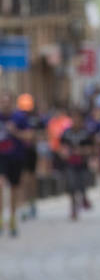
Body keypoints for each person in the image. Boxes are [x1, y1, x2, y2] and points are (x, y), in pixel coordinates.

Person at [0, 92, 28, 236]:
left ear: (12, 103)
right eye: (2, 101)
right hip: (1, 157)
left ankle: (11, 218)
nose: (5, 104)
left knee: (13, 189)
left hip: (16, 157)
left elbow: (30, 136)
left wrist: (15, 131)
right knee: (1, 183)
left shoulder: (19, 118)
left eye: (7, 101)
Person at [59, 108, 95, 220]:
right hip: (70, 163)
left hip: (82, 163)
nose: (75, 120)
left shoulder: (85, 133)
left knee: (82, 184)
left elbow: (91, 148)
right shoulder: (67, 133)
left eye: (78, 118)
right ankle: (73, 208)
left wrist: (82, 151)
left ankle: (84, 198)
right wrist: (64, 153)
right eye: (73, 118)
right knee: (71, 185)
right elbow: (61, 146)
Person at [16, 93, 41, 221]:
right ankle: (24, 205)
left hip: (31, 152)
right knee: (24, 179)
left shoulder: (35, 118)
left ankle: (31, 203)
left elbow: (35, 135)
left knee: (31, 179)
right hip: (20, 152)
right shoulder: (18, 117)